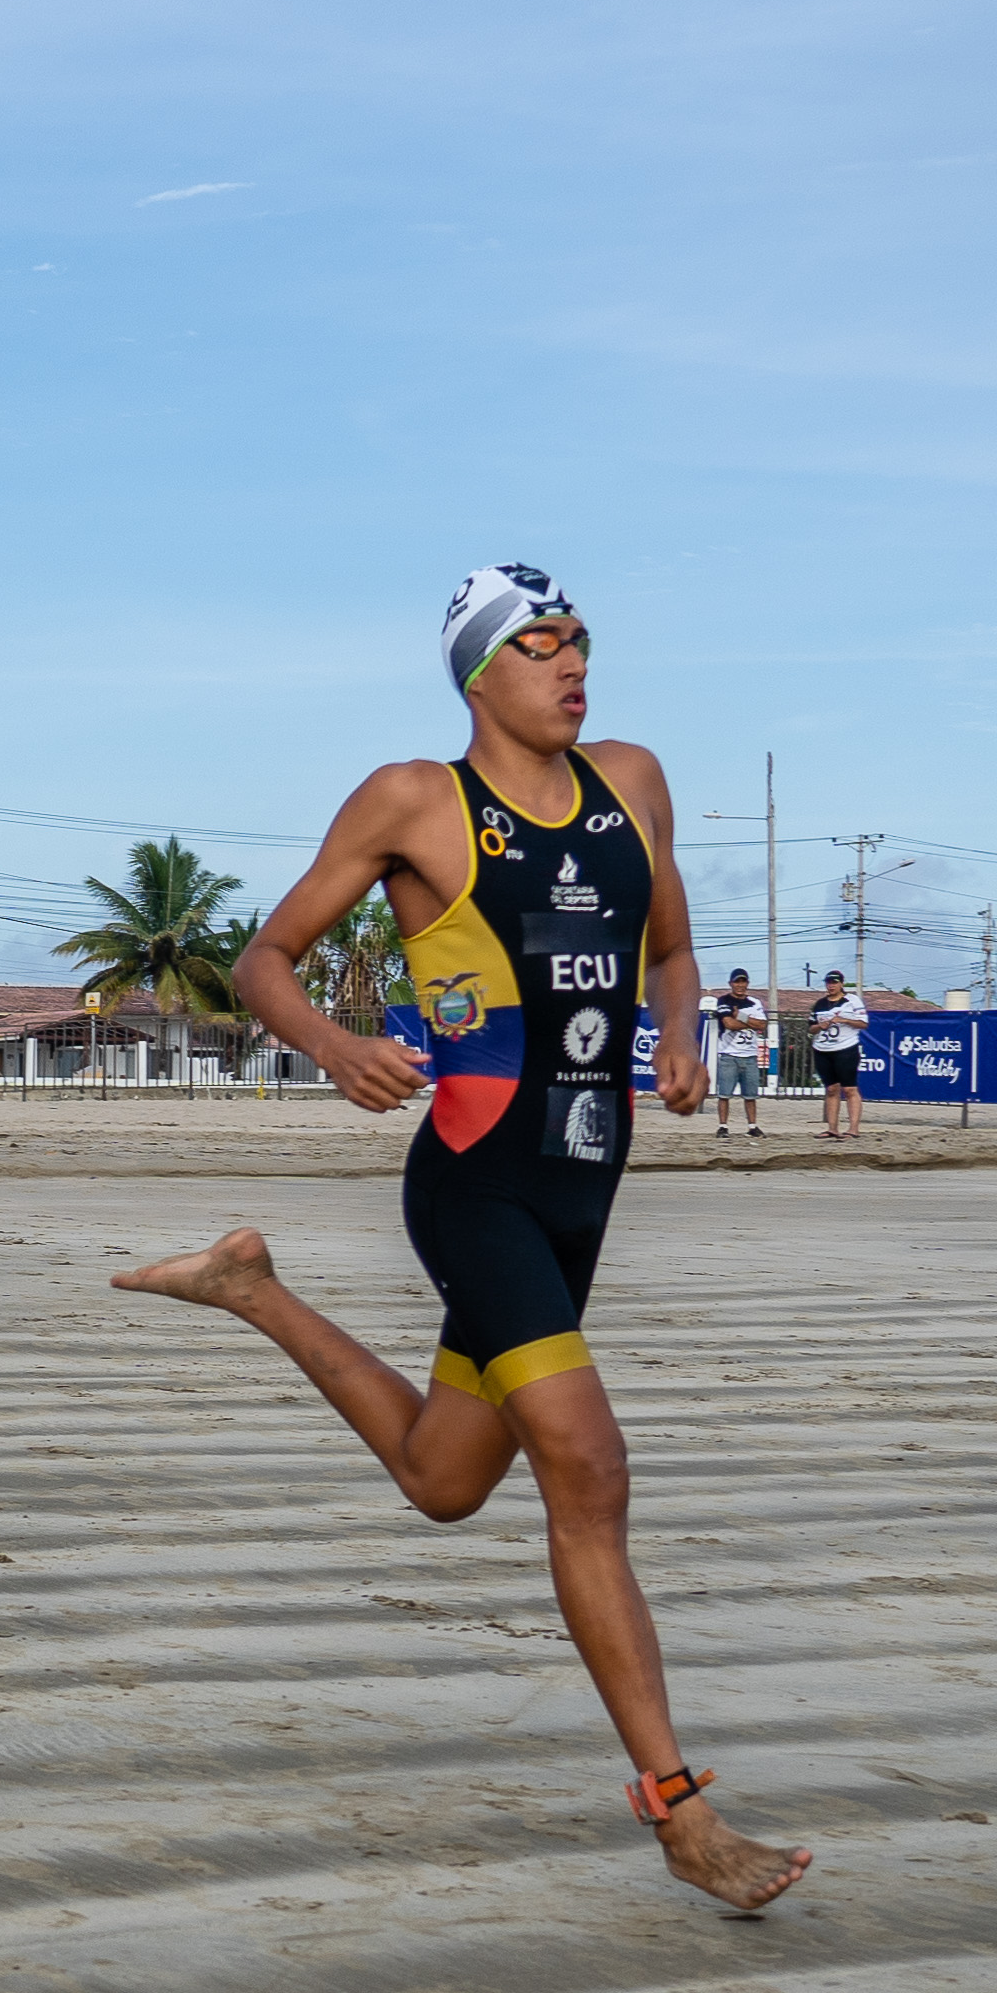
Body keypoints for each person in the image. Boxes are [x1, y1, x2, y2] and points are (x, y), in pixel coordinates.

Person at [113, 560, 807, 1913]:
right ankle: (675, 1802)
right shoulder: (414, 800)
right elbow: (264, 956)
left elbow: (671, 946)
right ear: (477, 669)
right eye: (539, 641)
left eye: (578, 638)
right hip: (473, 1177)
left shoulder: (632, 781)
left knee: (444, 1478)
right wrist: (327, 1042)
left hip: (584, 1183)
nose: (570, 660)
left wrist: (677, 1028)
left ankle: (249, 1286)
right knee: (587, 1466)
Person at [707, 968, 771, 1140]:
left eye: (743, 982)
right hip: (729, 1053)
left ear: (747, 983)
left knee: (750, 1094)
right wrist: (751, 1023)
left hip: (749, 1054)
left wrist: (741, 1017)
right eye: (737, 982)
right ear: (731, 984)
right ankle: (723, 1126)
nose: (740, 985)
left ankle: (752, 1126)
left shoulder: (755, 1002)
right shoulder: (724, 1001)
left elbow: (763, 1025)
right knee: (725, 1094)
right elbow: (729, 1024)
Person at [807, 969, 866, 1138]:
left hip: (846, 1048)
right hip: (823, 1049)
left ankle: (853, 1128)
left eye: (834, 982)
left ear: (841, 983)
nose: (831, 986)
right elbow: (811, 1027)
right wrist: (821, 1026)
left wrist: (844, 1020)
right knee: (831, 1089)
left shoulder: (852, 1001)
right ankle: (832, 1127)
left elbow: (863, 1023)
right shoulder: (819, 1004)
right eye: (828, 982)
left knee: (849, 1089)